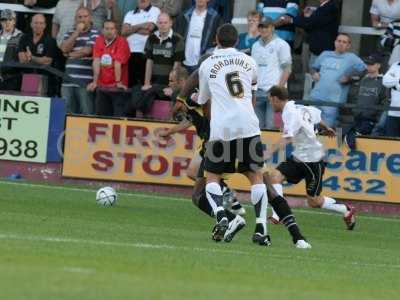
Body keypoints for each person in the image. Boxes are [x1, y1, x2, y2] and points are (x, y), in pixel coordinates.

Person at [167, 63, 311, 248]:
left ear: (184, 80)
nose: (170, 83)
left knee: (200, 191)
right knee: (265, 186)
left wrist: (180, 101)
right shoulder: (233, 79)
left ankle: (227, 215)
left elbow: (199, 107)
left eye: (172, 80)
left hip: (217, 142)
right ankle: (293, 235)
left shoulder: (198, 91)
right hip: (244, 134)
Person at [197, 24, 271, 245]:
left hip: (222, 129)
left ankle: (221, 214)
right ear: (237, 41)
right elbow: (253, 97)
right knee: (256, 175)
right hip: (248, 125)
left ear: (217, 39)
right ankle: (261, 227)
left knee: (212, 176)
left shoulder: (207, 64)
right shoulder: (249, 61)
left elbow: (203, 101)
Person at [266, 85, 357, 231]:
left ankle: (345, 209)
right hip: (299, 156)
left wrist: (268, 151)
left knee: (314, 201)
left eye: (270, 100)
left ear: (276, 99)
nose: (270, 104)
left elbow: (288, 138)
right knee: (274, 177)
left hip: (313, 160)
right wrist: (326, 127)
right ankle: (279, 214)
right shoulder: (298, 106)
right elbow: (315, 115)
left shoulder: (290, 113)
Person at [128, 12, 184, 117]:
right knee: (138, 91)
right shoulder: (151, 38)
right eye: (160, 22)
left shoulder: (178, 39)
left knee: (149, 95)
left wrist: (172, 86)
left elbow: (177, 65)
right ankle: (138, 119)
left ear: (170, 23)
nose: (162, 25)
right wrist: (146, 83)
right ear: (157, 24)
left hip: (167, 83)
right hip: (153, 82)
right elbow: (149, 61)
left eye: (165, 22)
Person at [309, 33, 366, 127]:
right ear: (335, 42)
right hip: (316, 96)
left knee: (326, 131)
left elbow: (364, 71)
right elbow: (312, 68)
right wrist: (314, 73)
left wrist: (350, 78)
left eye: (344, 42)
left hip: (333, 101)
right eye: (339, 41)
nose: (341, 43)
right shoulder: (325, 54)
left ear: (348, 46)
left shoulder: (352, 58)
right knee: (310, 129)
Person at [251, 17, 292, 129]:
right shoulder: (255, 46)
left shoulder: (282, 44)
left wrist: (278, 90)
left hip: (275, 93)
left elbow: (287, 69)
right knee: (256, 127)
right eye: (261, 26)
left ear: (272, 28)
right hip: (258, 92)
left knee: (273, 127)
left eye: (266, 26)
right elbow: (253, 70)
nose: (263, 29)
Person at [60, 7, 100, 114]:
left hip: (85, 82)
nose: (82, 19)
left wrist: (69, 54)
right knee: (67, 113)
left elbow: (87, 50)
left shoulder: (96, 32)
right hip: (68, 81)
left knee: (86, 112)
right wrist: (77, 32)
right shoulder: (70, 32)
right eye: (79, 17)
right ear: (75, 19)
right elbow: (64, 48)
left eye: (85, 16)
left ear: (90, 18)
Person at [87, 20, 130, 117]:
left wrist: (118, 82)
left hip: (117, 88)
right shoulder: (98, 40)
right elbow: (96, 61)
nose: (109, 31)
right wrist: (95, 82)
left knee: (117, 117)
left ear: (116, 30)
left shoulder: (122, 41)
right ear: (102, 30)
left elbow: (118, 63)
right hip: (102, 87)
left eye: (112, 28)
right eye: (107, 28)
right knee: (102, 116)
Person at [344, 53, 387, 149]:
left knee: (353, 137)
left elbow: (384, 102)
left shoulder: (384, 81)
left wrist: (377, 120)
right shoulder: (363, 79)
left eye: (371, 64)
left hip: (371, 121)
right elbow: (356, 97)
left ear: (378, 65)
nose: (368, 66)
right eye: (367, 64)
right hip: (358, 117)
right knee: (343, 133)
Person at [174, 0, 222, 74]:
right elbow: (177, 38)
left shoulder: (215, 17)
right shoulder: (184, 15)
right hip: (184, 62)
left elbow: (217, 40)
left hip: (204, 63)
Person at [122, 0, 160, 87]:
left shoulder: (155, 10)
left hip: (146, 52)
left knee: (145, 84)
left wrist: (131, 29)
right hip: (130, 53)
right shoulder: (129, 13)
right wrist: (141, 25)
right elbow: (124, 31)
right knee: (131, 84)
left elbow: (149, 29)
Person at [18, 14, 58, 96]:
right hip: (26, 78)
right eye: (36, 23)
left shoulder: (50, 41)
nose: (38, 25)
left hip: (45, 80)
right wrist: (39, 60)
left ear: (45, 25)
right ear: (31, 24)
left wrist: (31, 57)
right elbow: (22, 59)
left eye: (41, 23)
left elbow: (47, 61)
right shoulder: (24, 38)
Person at [0, 9, 23, 91]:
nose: (7, 22)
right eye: (4, 19)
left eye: (10, 19)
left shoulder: (21, 37)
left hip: (12, 78)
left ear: (14, 21)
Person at [382, 59, 400, 137]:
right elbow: (385, 81)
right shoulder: (396, 64)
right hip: (393, 111)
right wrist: (398, 80)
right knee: (391, 140)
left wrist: (395, 82)